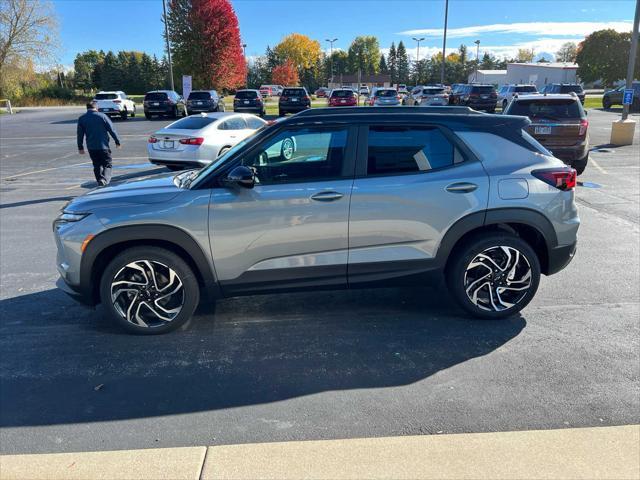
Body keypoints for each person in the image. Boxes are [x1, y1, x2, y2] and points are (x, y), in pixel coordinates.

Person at [77, 101, 121, 186]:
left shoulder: (82, 118)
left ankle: (100, 180)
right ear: (96, 108)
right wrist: (117, 141)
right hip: (103, 146)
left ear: (87, 108)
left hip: (91, 147)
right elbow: (112, 130)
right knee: (107, 164)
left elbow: (80, 134)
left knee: (96, 165)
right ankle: (105, 180)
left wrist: (80, 147)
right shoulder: (103, 116)